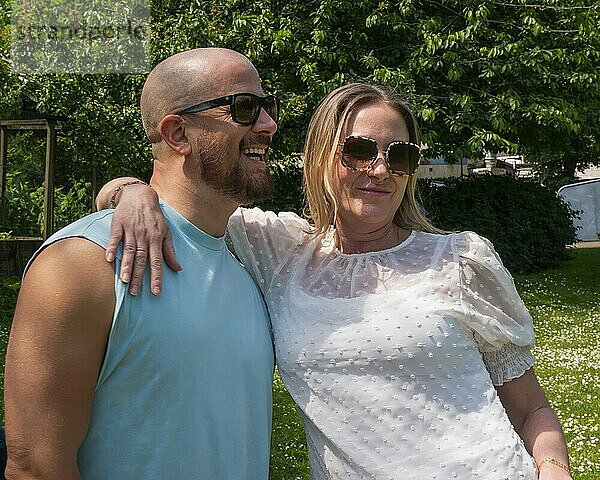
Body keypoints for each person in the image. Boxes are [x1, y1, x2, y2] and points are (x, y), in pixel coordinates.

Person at [97, 83, 572, 479]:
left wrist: (553, 468)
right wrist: (134, 191)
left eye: (400, 155)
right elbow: (183, 199)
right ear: (321, 156)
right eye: (360, 150)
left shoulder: (462, 259)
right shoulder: (280, 249)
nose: (381, 170)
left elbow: (531, 409)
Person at [3, 47, 277, 480]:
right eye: (244, 108)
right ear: (178, 134)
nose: (269, 124)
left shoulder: (254, 258)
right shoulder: (82, 263)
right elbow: (36, 466)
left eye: (268, 107)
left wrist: (124, 187)